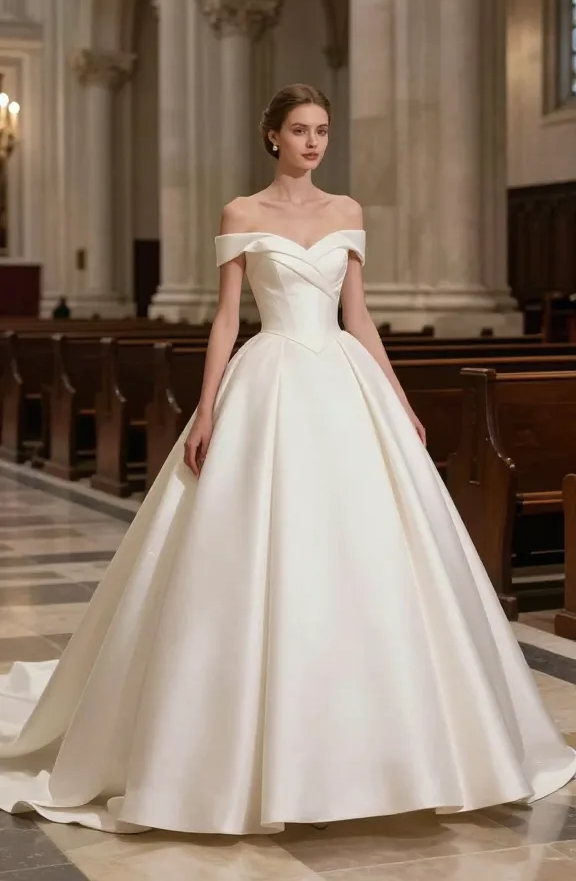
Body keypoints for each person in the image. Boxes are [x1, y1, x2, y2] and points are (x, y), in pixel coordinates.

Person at [0, 83, 574, 836]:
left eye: (323, 131)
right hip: (267, 378)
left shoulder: (347, 214)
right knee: (261, 546)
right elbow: (226, 321)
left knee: (367, 548)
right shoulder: (241, 214)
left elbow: (358, 315)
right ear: (272, 136)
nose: (314, 143)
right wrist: (207, 410)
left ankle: (394, 747)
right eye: (300, 130)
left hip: (343, 381)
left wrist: (399, 403)